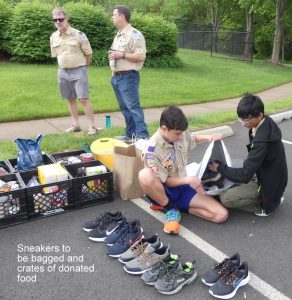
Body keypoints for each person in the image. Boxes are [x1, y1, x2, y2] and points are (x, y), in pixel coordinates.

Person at [139, 106, 228, 235]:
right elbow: (166, 182)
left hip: (183, 187)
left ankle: (178, 207)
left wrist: (209, 138)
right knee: (144, 175)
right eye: (177, 133)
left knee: (221, 215)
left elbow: (192, 138)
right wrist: (188, 179)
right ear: (164, 129)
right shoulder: (151, 151)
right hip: (164, 190)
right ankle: (170, 208)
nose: (181, 136)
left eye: (182, 132)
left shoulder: (180, 134)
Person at [209, 93, 288, 216]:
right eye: (240, 119)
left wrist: (219, 168)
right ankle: (273, 195)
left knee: (226, 198)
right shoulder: (265, 122)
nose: (243, 123)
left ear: (260, 115)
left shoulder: (262, 141)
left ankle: (262, 206)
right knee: (233, 171)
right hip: (270, 177)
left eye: (246, 119)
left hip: (267, 185)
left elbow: (244, 175)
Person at [50, 7, 97, 135]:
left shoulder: (79, 35)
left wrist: (83, 68)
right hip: (62, 71)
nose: (58, 22)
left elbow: (88, 54)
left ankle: (92, 127)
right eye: (55, 20)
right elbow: (56, 55)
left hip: (79, 70)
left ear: (66, 19)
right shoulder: (53, 37)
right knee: (70, 99)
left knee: (83, 99)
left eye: (60, 19)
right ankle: (75, 125)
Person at [109, 5, 148, 141]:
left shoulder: (135, 34)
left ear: (122, 16)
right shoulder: (119, 34)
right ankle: (130, 134)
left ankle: (142, 136)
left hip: (128, 77)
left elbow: (141, 56)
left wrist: (121, 54)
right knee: (125, 108)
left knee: (133, 107)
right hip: (117, 77)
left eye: (114, 15)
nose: (112, 17)